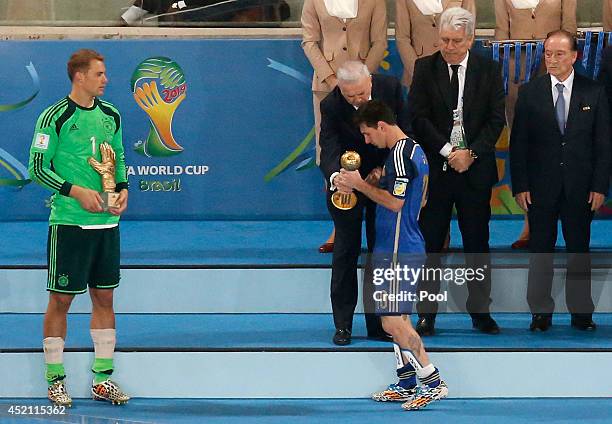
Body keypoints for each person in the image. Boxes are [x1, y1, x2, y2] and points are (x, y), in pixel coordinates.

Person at [28, 49, 130, 406]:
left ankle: (102, 379)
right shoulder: (54, 116)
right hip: (70, 224)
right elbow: (37, 168)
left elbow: (118, 159)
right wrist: (75, 191)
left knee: (105, 297)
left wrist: (123, 190)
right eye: (99, 74)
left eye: (105, 73)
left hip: (107, 224)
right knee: (61, 299)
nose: (106, 80)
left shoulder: (112, 115)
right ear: (79, 77)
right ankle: (55, 379)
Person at [338, 99, 448, 411]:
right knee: (398, 319)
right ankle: (406, 382)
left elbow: (397, 204)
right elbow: (420, 199)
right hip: (401, 244)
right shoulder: (414, 151)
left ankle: (433, 380)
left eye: (368, 134)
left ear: (382, 126)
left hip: (399, 248)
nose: (366, 141)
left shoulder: (399, 154)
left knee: (391, 322)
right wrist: (376, 181)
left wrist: (359, 184)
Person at [408, 7, 505, 336]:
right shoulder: (425, 68)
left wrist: (471, 153)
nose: (448, 47)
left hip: (475, 172)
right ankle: (427, 314)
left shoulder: (489, 69)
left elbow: (496, 120)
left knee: (477, 244)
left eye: (455, 41)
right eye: (444, 40)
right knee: (431, 245)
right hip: (438, 171)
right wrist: (449, 152)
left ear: (471, 39)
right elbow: (417, 119)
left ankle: (480, 312)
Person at [510, 30, 611, 332]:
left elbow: (603, 145)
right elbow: (519, 145)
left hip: (581, 189)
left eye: (559, 54)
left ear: (574, 56)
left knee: (579, 250)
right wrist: (521, 185)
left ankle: (581, 314)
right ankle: (540, 313)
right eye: (548, 54)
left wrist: (599, 186)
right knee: (541, 250)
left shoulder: (594, 92)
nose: (552, 60)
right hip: (540, 189)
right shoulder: (530, 92)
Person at [319, 60, 409, 345]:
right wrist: (337, 178)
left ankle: (379, 324)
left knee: (379, 252)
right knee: (345, 251)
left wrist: (386, 170)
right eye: (350, 97)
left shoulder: (391, 88)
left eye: (360, 95)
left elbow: (404, 134)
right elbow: (329, 146)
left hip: (382, 181)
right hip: (347, 185)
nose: (356, 101)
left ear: (370, 82)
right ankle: (343, 324)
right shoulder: (331, 104)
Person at [301, 0, 388, 253]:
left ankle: (375, 223)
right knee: (329, 152)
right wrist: (332, 81)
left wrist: (362, 81)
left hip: (365, 89)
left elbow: (380, 41)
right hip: (326, 86)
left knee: (372, 148)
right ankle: (340, 221)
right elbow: (309, 41)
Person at [494, 0, 577, 249]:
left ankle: (571, 222)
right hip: (517, 80)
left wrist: (557, 61)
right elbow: (501, 32)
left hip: (559, 74)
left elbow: (569, 28)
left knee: (564, 147)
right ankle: (530, 224)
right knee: (524, 149)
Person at [396, 0, 476, 89]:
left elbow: (469, 33)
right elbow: (402, 38)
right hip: (418, 75)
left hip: (455, 74)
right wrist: (418, 72)